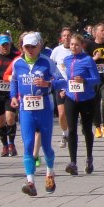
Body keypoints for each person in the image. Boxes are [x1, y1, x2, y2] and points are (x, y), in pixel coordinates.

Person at [11, 32, 61, 196]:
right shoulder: (18, 63)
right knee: (28, 144)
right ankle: (30, 181)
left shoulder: (46, 62)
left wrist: (48, 83)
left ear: (39, 46)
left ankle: (50, 173)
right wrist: (13, 97)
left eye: (33, 46)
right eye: (27, 47)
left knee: (46, 146)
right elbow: (14, 81)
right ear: (22, 47)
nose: (30, 50)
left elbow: (62, 80)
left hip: (44, 108)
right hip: (26, 109)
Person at [58, 33, 101, 176]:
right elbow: (67, 79)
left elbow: (96, 79)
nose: (74, 47)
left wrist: (84, 80)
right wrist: (65, 89)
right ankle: (73, 162)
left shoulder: (87, 60)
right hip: (71, 99)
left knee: (87, 130)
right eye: (71, 44)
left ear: (82, 45)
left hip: (87, 99)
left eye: (76, 45)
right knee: (71, 131)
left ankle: (89, 158)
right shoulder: (67, 60)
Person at [89, 23, 104, 139]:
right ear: (95, 32)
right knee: (95, 103)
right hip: (94, 79)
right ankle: (97, 126)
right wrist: (94, 58)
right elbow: (85, 61)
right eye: (102, 30)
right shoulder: (89, 46)